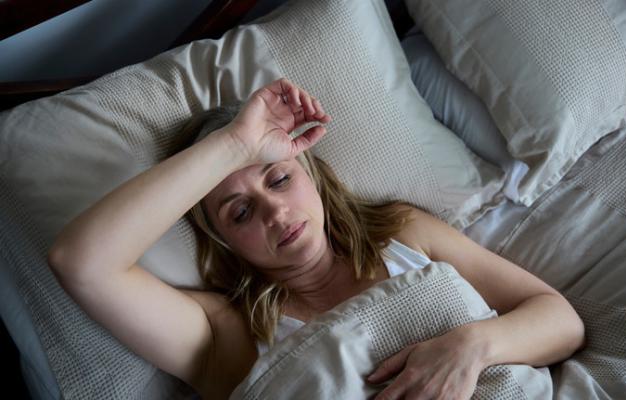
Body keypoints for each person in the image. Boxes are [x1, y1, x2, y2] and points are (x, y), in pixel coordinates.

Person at [47, 78, 586, 400]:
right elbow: (80, 261)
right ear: (225, 241)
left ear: (314, 175)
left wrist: (470, 346)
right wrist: (236, 147)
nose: (276, 211)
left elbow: (559, 320)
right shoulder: (225, 333)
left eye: (279, 178)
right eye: (240, 212)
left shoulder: (402, 232)